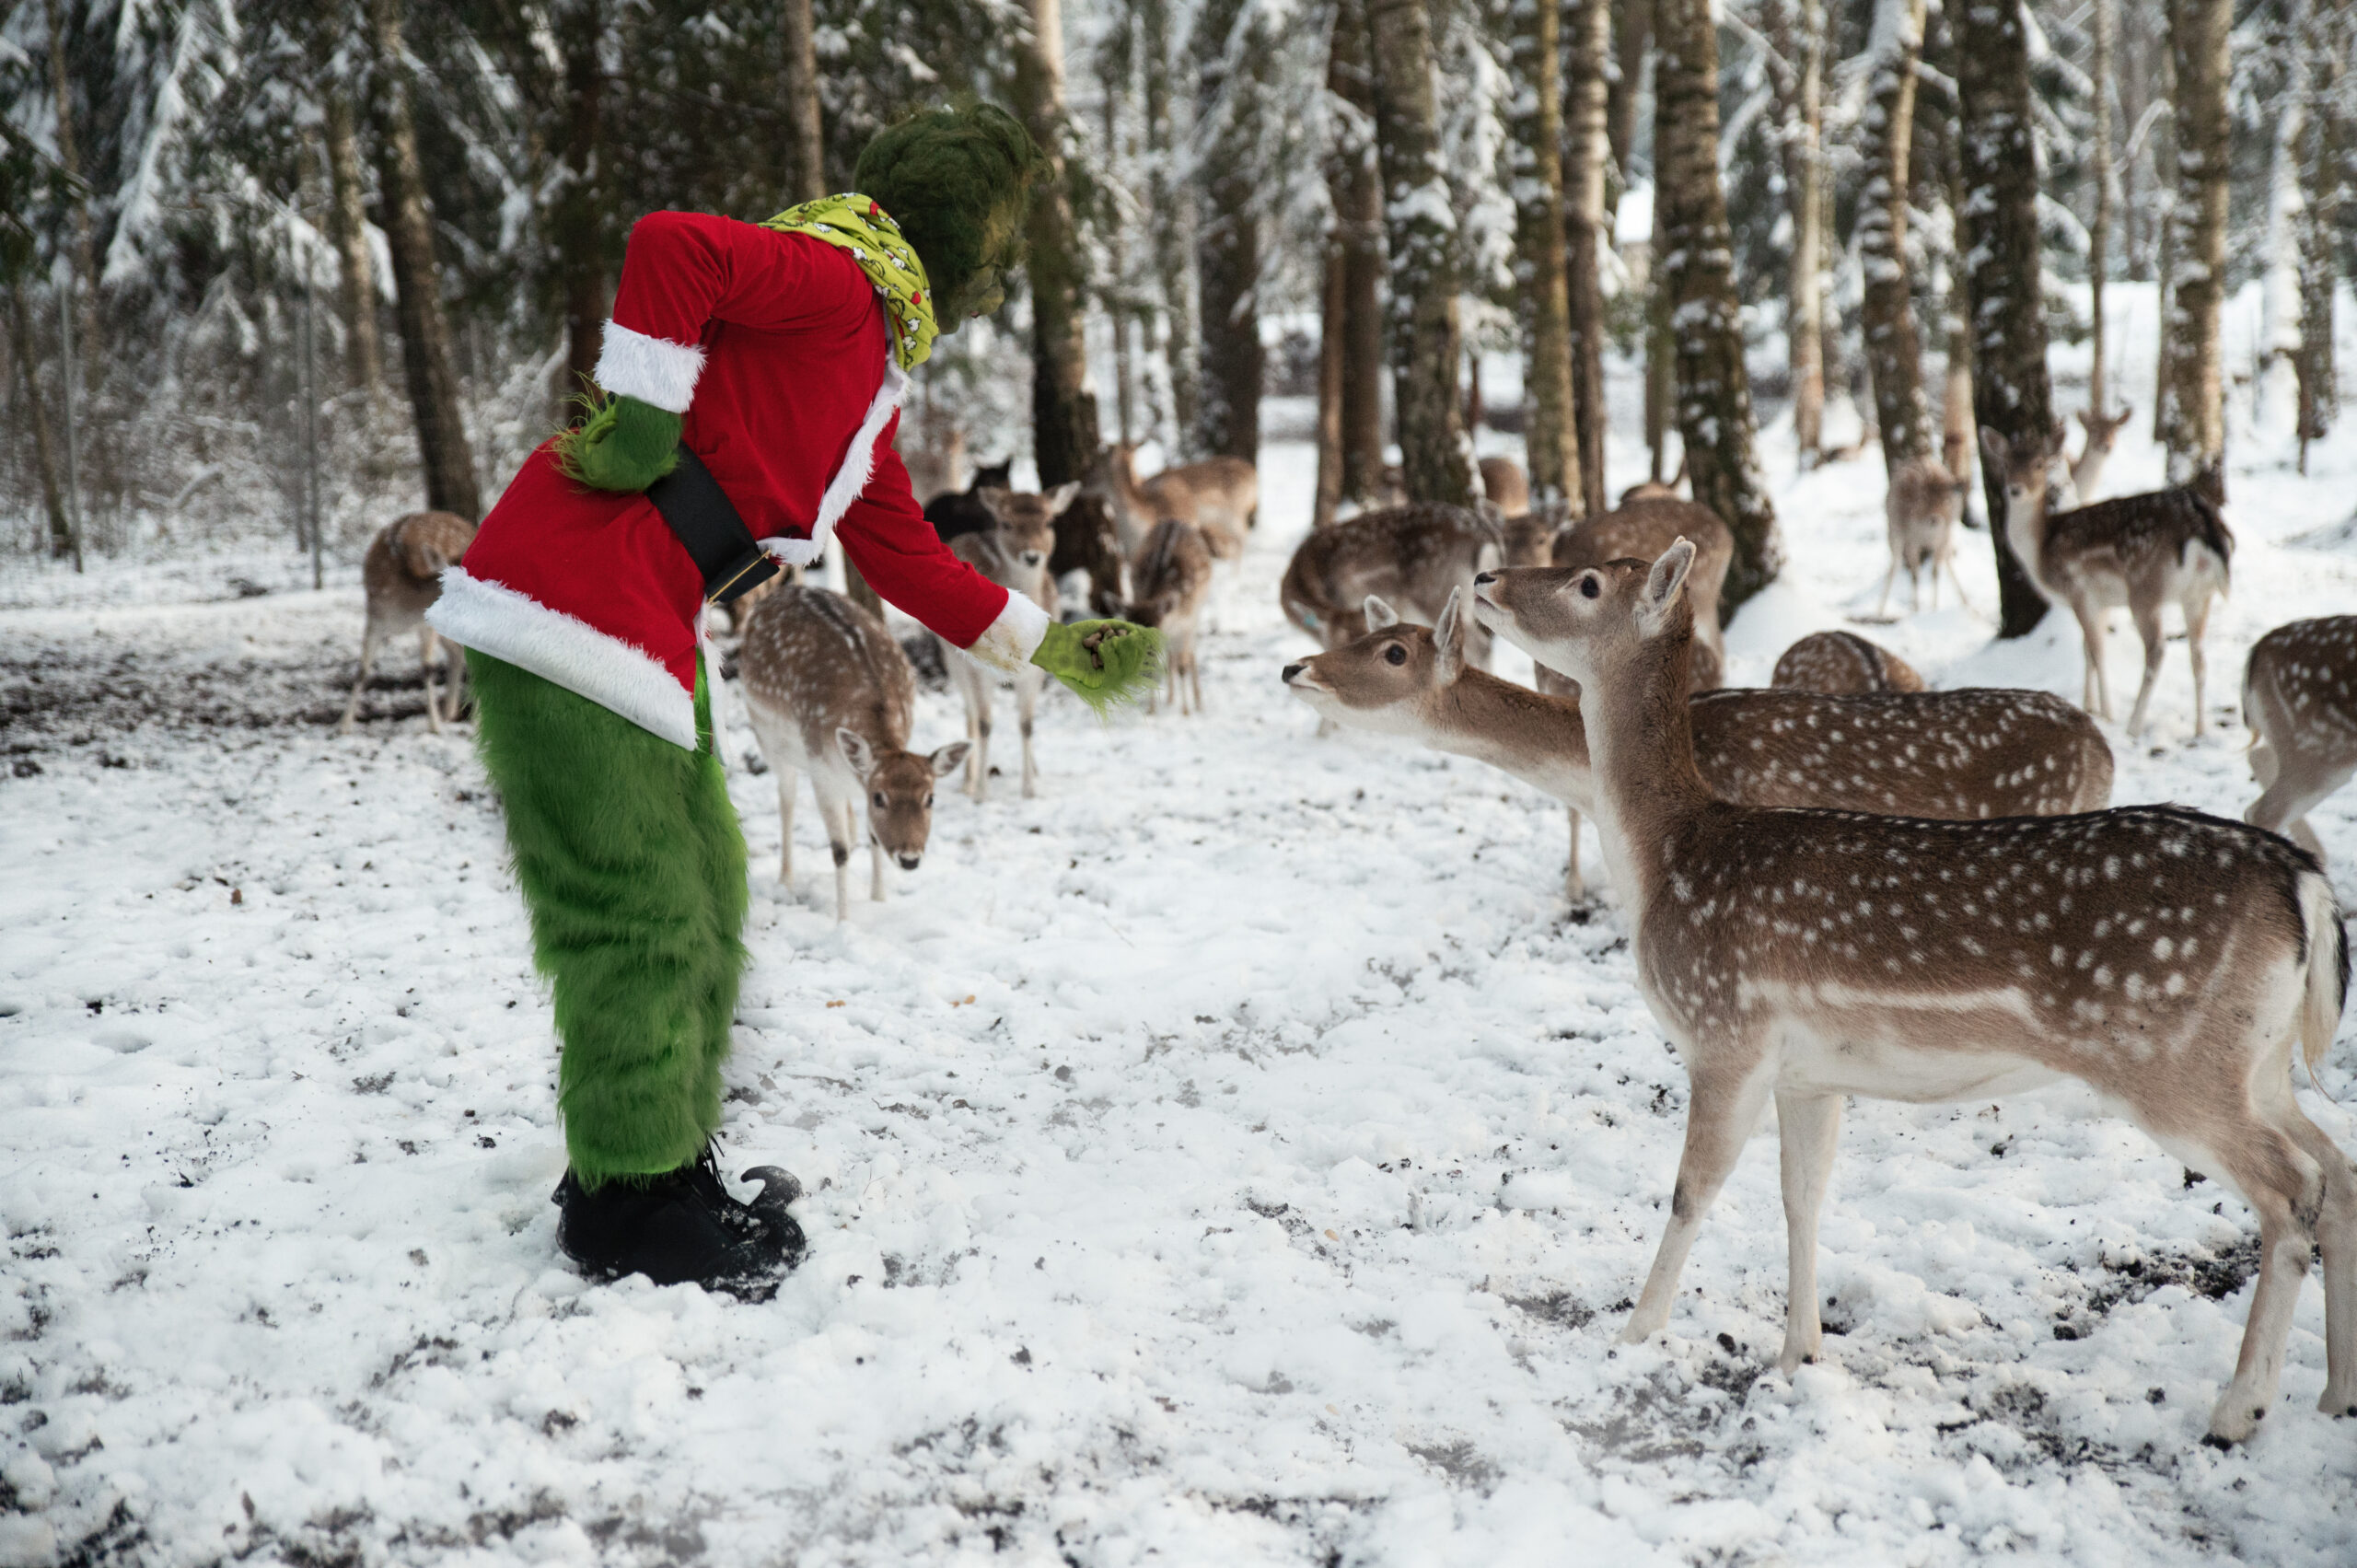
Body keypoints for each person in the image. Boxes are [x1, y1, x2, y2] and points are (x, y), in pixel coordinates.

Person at [427, 104, 1158, 1296]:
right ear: (966, 240)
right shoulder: (830, 282)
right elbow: (672, 243)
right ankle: (625, 1215)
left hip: (636, 623)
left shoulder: (870, 379)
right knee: (639, 918)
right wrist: (639, 431)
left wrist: (1061, 646)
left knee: (706, 891)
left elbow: (911, 558)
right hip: (561, 607)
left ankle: (655, 1170)